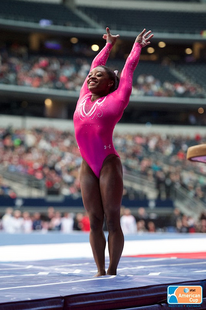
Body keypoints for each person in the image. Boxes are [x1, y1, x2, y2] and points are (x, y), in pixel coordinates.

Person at [73, 27, 153, 276]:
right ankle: (99, 270)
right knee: (95, 221)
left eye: (98, 76)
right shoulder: (84, 95)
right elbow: (95, 64)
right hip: (87, 164)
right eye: (90, 76)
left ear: (110, 83)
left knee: (112, 219)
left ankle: (113, 269)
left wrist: (136, 46)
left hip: (108, 162)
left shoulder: (118, 98)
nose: (90, 78)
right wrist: (108, 45)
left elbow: (128, 70)